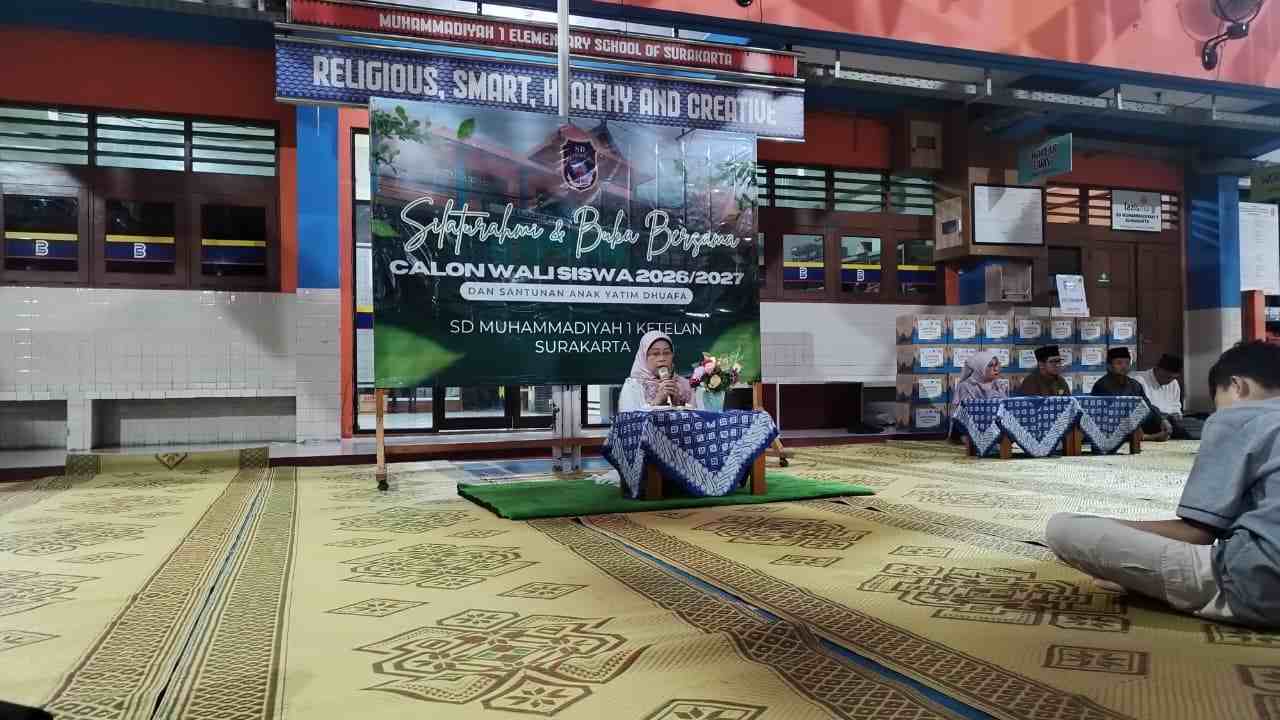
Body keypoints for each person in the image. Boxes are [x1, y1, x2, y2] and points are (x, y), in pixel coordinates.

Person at [1046, 341, 1280, 628]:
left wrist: (1108, 526)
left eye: (1219, 402)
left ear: (1237, 386)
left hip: (1259, 588)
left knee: (1063, 527)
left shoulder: (1238, 418)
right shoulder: (1106, 384)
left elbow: (1197, 533)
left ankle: (1155, 586)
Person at [1091, 346, 1169, 441]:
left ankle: (1159, 432)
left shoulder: (1134, 384)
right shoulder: (1102, 385)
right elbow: (1112, 414)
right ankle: (1147, 437)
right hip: (1112, 424)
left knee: (1163, 418)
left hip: (1134, 422)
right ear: (1109, 366)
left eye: (1127, 363)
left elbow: (1147, 405)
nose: (1124, 366)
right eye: (1119, 363)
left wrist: (1162, 420)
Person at [618, 331, 698, 412]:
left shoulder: (685, 385)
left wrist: (678, 405)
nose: (662, 359)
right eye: (655, 354)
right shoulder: (633, 386)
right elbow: (628, 418)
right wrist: (656, 402)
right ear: (644, 357)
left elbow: (699, 416)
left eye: (667, 353)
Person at [949, 350, 1008, 442]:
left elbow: (1005, 411)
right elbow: (967, 417)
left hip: (993, 430)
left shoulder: (998, 385)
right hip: (969, 431)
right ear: (980, 368)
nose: (996, 369)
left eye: (996, 365)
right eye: (990, 365)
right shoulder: (965, 386)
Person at [1134, 354, 1197, 440]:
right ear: (1156, 368)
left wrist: (1176, 414)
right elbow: (1142, 410)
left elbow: (1175, 406)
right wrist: (1161, 418)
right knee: (1182, 432)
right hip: (1151, 421)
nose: (1168, 381)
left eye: (1172, 378)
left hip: (1170, 420)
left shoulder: (1173, 383)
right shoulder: (1139, 380)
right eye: (1166, 377)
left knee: (1197, 423)